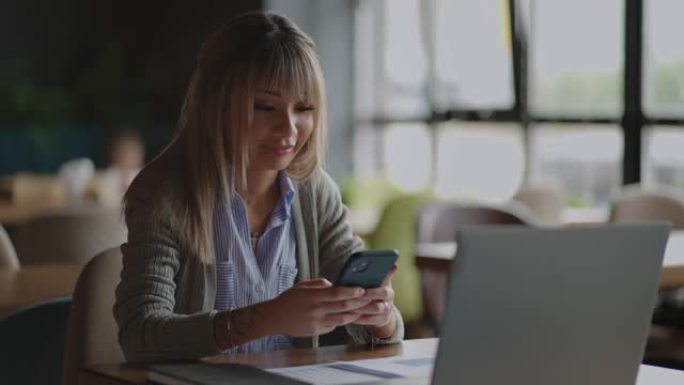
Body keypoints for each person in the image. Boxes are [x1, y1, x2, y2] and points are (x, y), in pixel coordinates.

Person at [113, 12, 404, 362]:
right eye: (265, 107)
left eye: (304, 108)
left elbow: (385, 332)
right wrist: (265, 319)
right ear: (216, 105)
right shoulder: (165, 194)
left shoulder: (315, 193)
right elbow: (140, 335)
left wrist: (379, 315)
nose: (290, 129)